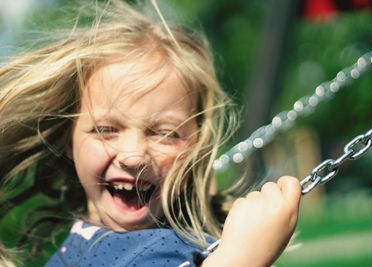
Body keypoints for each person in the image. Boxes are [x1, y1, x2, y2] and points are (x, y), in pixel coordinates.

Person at [0, 0, 301, 266]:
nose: (133, 156)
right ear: (69, 140)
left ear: (195, 146)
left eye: (165, 134)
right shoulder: (142, 253)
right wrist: (242, 258)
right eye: (106, 130)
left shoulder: (79, 248)